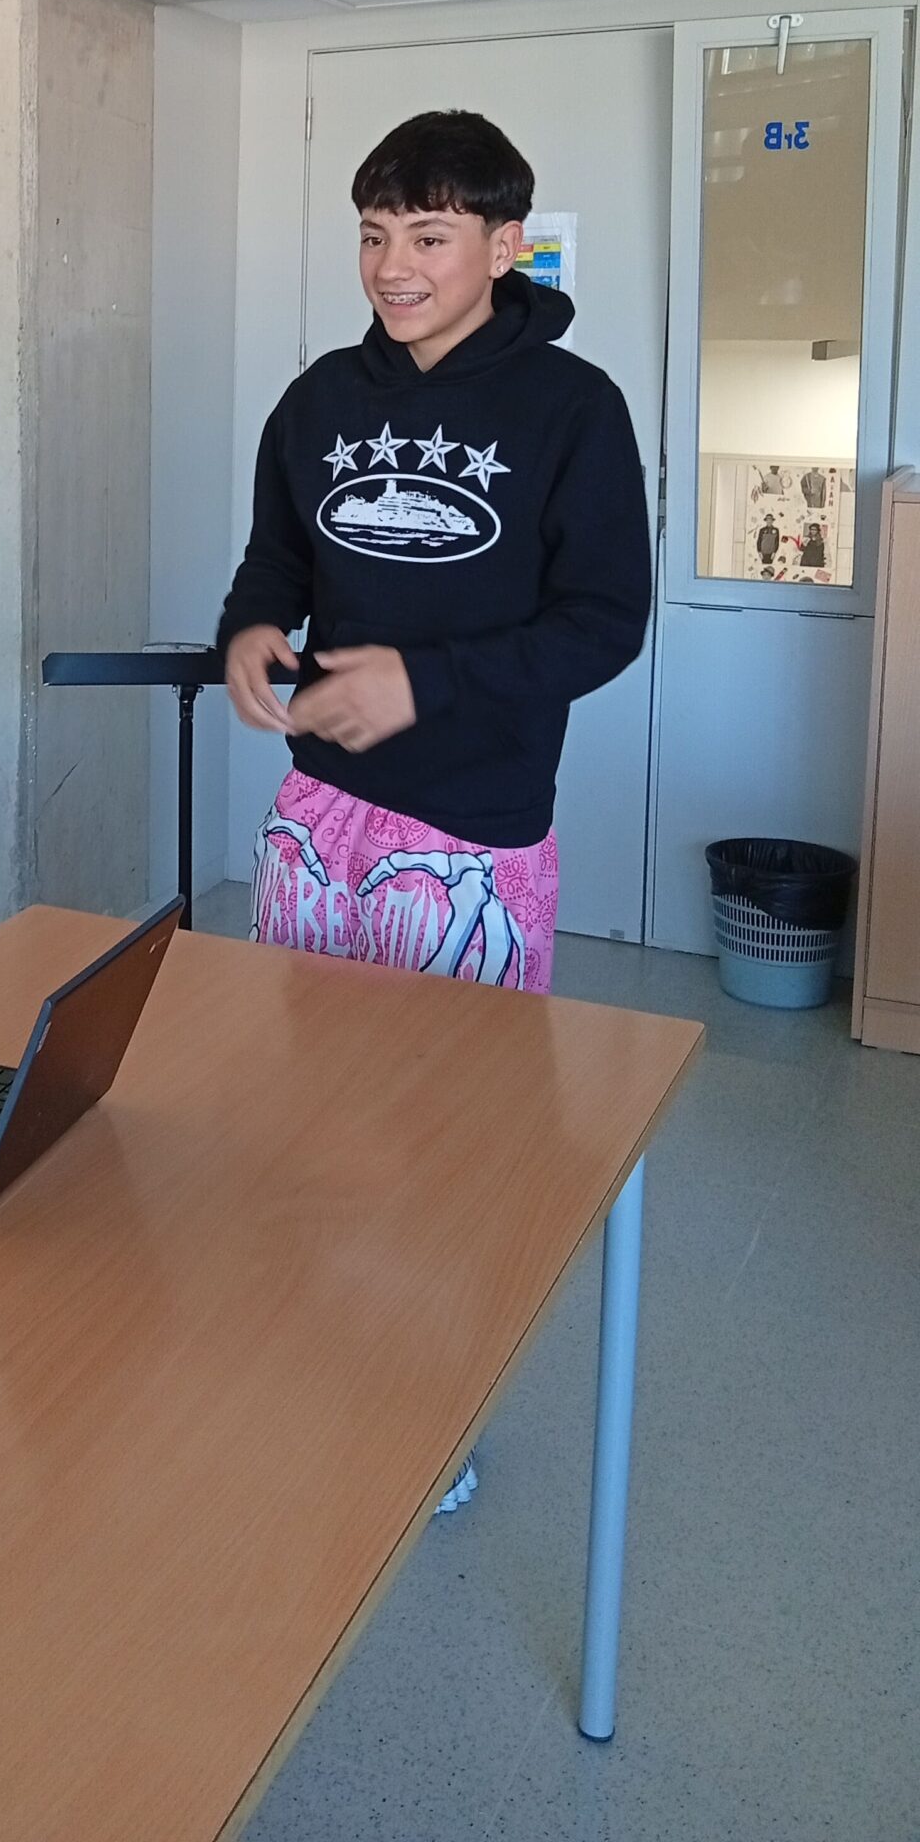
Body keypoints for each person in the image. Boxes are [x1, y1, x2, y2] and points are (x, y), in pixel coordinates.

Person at [217, 110, 650, 1506]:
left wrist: (429, 682)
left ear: (504, 244)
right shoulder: (318, 399)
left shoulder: (572, 409)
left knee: (447, 1138)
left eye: (428, 235)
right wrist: (246, 630)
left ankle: (432, 1405)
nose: (392, 266)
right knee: (311, 1111)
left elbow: (604, 621)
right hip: (315, 814)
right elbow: (277, 556)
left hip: (471, 828)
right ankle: (314, 1337)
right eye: (372, 235)